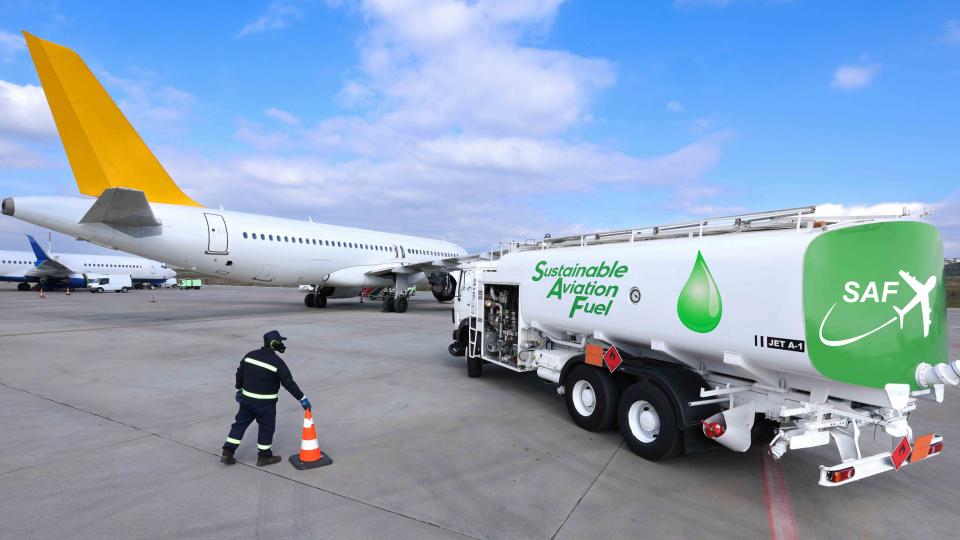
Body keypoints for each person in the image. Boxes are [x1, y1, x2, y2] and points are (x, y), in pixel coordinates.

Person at [221, 330, 311, 466]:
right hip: (265, 404)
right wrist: (302, 398)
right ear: (274, 343)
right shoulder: (277, 363)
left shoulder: (250, 355)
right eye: (280, 341)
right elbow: (289, 383)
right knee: (266, 428)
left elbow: (239, 373)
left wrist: (239, 388)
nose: (282, 344)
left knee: (239, 424)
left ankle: (227, 452)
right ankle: (264, 457)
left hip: (246, 401)